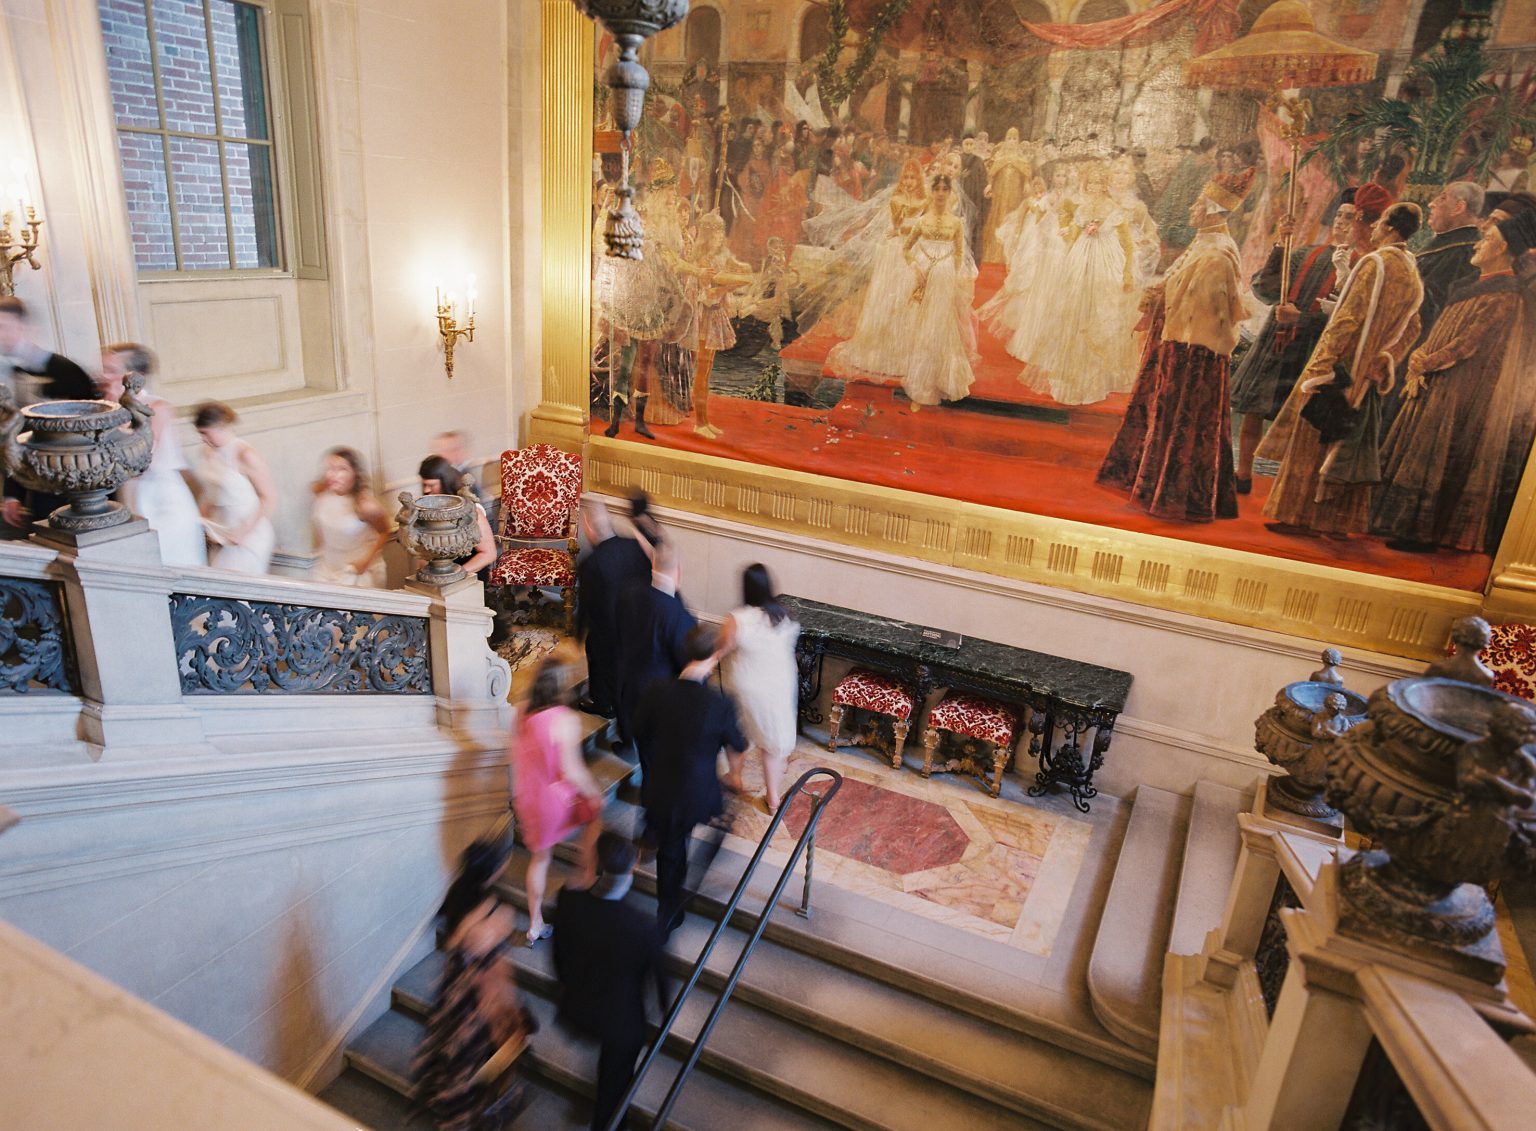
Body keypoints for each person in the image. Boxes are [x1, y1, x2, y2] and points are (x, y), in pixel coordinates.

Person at [1259, 200, 1425, 539]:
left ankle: (1296, 517)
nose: (1375, 227)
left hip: (1343, 367)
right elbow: (1413, 327)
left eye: (1379, 222)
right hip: (1368, 373)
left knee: (1313, 436)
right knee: (1348, 443)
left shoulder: (1374, 263)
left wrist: (1321, 366)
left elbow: (1347, 318)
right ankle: (1337, 525)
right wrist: (1386, 358)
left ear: (1391, 228)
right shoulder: (1410, 268)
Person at [1371, 211, 1536, 551]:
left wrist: (1425, 361)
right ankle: (1395, 524)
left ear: (1503, 247)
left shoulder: (1504, 294)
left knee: (1436, 454)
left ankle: (1420, 533)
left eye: (1486, 240)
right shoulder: (1475, 286)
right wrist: (1423, 359)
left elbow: (1468, 343)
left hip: (1458, 390)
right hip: (1434, 381)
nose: (1477, 245)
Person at [1096, 170, 1252, 522]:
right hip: (1175, 343)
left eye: (1199, 202)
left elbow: (1207, 314)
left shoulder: (1218, 254)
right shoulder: (1205, 241)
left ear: (1213, 208)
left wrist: (1165, 302)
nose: (1193, 207)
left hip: (1192, 353)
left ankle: (1176, 496)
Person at [1229, 193, 1360, 493]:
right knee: (1254, 409)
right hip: (1278, 341)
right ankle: (1243, 474)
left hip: (1314, 346)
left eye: (1350, 217)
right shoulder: (1307, 254)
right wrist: (1280, 244)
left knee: (1302, 421)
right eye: (1339, 215)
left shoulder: (1359, 265)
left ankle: (1288, 487)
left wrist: (1300, 318)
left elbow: (1348, 318)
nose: (1341, 222)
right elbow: (1265, 287)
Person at [632, 623, 748, 934]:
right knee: (689, 840)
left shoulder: (657, 691)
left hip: (662, 785)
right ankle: (675, 898)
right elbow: (737, 745)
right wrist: (734, 775)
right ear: (715, 658)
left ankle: (668, 911)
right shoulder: (720, 704)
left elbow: (639, 730)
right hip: (699, 791)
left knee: (671, 848)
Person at [414, 838, 535, 1131]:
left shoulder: (458, 894)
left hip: (453, 990)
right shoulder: (494, 914)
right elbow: (494, 973)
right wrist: (507, 1015)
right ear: (492, 871)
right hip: (477, 1002)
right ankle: (464, 1118)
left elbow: (458, 948)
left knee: (451, 1053)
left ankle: (445, 1105)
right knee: (475, 1063)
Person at [553, 833, 669, 1131]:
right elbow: (661, 979)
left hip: (579, 1005)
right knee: (615, 1082)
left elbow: (559, 954)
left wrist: (567, 984)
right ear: (632, 870)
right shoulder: (642, 928)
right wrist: (664, 1015)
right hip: (621, 1020)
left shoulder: (569, 902)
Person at [1024, 162, 1141, 406]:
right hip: (1080, 260)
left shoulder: (1114, 209)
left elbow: (1128, 244)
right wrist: (1069, 234)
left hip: (1106, 262)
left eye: (1099, 183)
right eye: (1091, 183)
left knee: (1101, 312)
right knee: (1074, 310)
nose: (1095, 187)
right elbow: (1074, 235)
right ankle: (1072, 373)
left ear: (1105, 185)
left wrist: (1128, 272)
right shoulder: (1082, 207)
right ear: (1085, 185)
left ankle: (1098, 376)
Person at [511, 657, 604, 944]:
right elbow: (571, 769)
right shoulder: (564, 719)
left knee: (540, 858)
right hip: (554, 799)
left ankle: (535, 922)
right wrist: (593, 791)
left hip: (526, 796)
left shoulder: (520, 713)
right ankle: (585, 879)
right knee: (594, 815)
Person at [95, 343, 205, 567]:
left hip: (164, 504)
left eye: (112, 370)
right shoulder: (103, 408)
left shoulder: (157, 407)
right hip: (133, 501)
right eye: (103, 368)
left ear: (135, 376)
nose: (104, 376)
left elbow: (141, 459)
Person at [1, 296, 96, 533]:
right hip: (35, 484)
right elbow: (16, 435)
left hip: (75, 484)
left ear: (23, 327)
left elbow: (91, 432)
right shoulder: (9, 374)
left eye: (3, 326)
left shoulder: (66, 372)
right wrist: (12, 495)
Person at [614, 541, 697, 789]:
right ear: (679, 571)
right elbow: (687, 666)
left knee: (647, 752)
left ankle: (651, 790)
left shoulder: (628, 593)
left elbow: (619, 633)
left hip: (630, 687)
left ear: (652, 565)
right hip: (662, 698)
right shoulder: (680, 617)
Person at [718, 564, 800, 812]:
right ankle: (773, 797)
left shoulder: (738, 618)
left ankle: (734, 776)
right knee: (772, 742)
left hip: (747, 685)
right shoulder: (785, 616)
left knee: (737, 730)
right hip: (779, 683)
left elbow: (721, 648)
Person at [574, 499, 651, 718]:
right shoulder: (634, 547)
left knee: (600, 662)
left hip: (607, 630)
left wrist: (579, 633)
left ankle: (603, 703)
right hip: (636, 622)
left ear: (589, 528)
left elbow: (587, 603)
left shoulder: (591, 563)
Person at [192, 402, 277, 574]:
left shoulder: (245, 454)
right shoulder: (207, 452)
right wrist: (202, 518)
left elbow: (268, 498)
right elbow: (212, 493)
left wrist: (243, 531)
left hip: (250, 532)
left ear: (221, 426)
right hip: (222, 532)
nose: (203, 439)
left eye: (205, 433)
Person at [311, 447, 390, 587]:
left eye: (341, 469)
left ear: (355, 473)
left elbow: (384, 532)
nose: (332, 474)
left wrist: (365, 562)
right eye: (330, 468)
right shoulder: (320, 491)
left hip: (356, 573)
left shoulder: (366, 505)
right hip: (326, 569)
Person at [418, 455, 498, 575]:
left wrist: (455, 575)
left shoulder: (470, 510)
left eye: (431, 485)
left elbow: (489, 554)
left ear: (445, 481)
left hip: (469, 574)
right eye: (424, 485)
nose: (426, 490)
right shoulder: (427, 509)